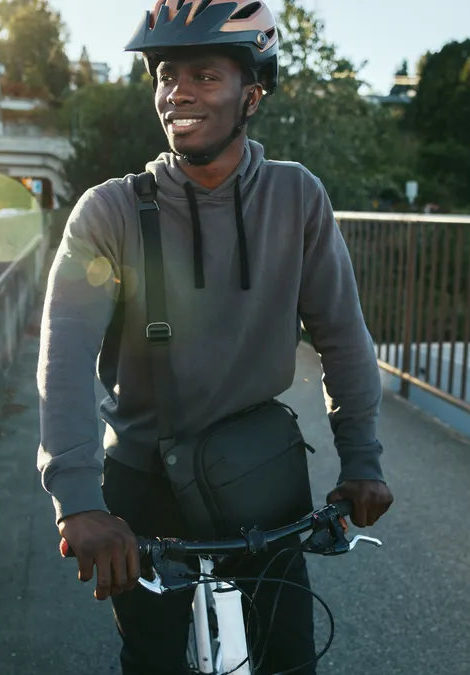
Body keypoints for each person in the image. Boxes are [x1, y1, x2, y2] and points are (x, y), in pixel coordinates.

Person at [36, 1, 394, 672]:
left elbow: (344, 336)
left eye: (206, 75)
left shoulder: (297, 198)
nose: (179, 92)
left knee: (290, 658)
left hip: (258, 472)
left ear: (251, 93)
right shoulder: (108, 211)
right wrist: (78, 500)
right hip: (144, 477)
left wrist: (362, 462)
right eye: (168, 74)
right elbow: (65, 354)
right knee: (152, 659)